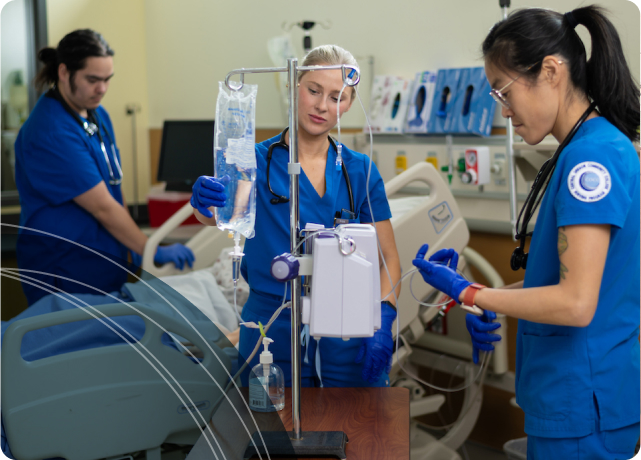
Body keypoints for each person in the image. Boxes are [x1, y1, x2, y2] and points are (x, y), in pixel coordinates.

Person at [413, 6, 639, 459]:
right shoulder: (581, 149)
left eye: (504, 92)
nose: (505, 112)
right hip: (576, 398)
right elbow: (562, 282)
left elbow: (575, 303)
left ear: (551, 71)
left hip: (582, 405)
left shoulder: (590, 161)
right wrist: (472, 291)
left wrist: (474, 294)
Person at [191, 45, 402, 388]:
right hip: (271, 331)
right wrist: (204, 203)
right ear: (293, 86)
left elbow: (387, 259)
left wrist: (384, 316)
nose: (322, 106)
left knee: (358, 434)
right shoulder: (254, 162)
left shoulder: (359, 170)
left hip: (346, 330)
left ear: (349, 105)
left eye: (338, 97)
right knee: (270, 436)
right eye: (314, 90)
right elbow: (220, 213)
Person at [15, 29, 194, 306]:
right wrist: (150, 248)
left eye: (107, 79)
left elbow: (113, 186)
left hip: (102, 261)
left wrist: (134, 249)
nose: (102, 89)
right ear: (64, 72)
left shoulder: (97, 115)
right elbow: (102, 207)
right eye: (92, 80)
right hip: (64, 268)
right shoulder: (51, 131)